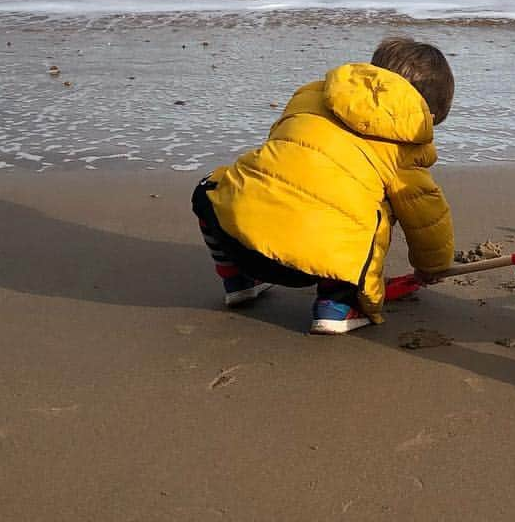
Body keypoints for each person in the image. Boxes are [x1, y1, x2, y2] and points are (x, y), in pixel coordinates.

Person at [191, 37, 455, 334]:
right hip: (316, 261)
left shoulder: (312, 95)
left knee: (213, 186)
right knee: (365, 212)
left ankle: (238, 280)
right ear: (427, 116)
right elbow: (426, 216)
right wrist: (431, 267)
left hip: (238, 238)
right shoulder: (405, 145)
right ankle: (337, 305)